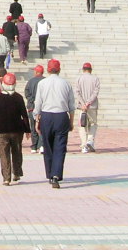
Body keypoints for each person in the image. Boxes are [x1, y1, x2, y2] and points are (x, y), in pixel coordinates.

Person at [34, 59, 76, 188]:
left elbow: (38, 104)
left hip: (46, 115)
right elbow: (71, 106)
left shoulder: (42, 83)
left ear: (47, 70)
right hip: (61, 115)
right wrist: (71, 122)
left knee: (47, 146)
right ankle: (56, 175)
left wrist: (37, 120)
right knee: (60, 147)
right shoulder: (66, 84)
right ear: (59, 70)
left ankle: (50, 174)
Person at [0, 72, 30, 185]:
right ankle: (16, 173)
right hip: (17, 130)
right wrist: (27, 130)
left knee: (4, 154)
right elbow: (24, 115)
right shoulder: (18, 97)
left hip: (1, 130)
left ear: (3, 84)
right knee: (17, 151)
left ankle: (6, 178)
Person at [74, 62, 100, 153]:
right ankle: (90, 140)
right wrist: (88, 102)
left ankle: (84, 145)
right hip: (92, 106)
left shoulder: (79, 79)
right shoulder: (95, 79)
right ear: (90, 70)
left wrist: (83, 103)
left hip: (81, 107)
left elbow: (77, 92)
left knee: (82, 126)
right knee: (93, 124)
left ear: (83, 69)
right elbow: (95, 93)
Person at [25, 64, 45, 153]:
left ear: (37, 72)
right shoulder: (45, 81)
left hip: (32, 107)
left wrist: (32, 100)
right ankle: (41, 145)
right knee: (42, 127)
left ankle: (34, 146)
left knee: (33, 126)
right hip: (43, 107)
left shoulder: (30, 81)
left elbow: (27, 92)